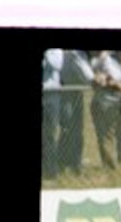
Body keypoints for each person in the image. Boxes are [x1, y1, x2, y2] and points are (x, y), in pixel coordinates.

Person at [57, 50, 96, 175]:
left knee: (77, 130)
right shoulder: (75, 54)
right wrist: (98, 77)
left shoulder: (86, 56)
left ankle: (75, 162)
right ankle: (63, 163)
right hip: (66, 94)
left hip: (76, 94)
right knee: (68, 129)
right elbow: (89, 78)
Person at [42, 49, 64, 178]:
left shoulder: (55, 51)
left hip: (51, 95)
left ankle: (50, 171)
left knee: (50, 133)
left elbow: (57, 65)